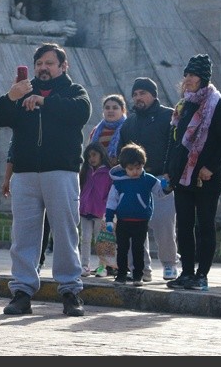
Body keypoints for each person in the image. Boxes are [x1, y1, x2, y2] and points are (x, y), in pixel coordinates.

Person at [0, 42, 91, 317]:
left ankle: (71, 291)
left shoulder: (74, 92)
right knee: (23, 235)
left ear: (63, 66)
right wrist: (11, 96)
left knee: (65, 233)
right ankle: (22, 292)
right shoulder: (23, 89)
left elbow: (81, 112)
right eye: (39, 64)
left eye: (49, 63)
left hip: (60, 172)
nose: (43, 68)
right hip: (24, 174)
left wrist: (44, 101)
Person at [165, 54, 221, 292]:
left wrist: (210, 166)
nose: (188, 79)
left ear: (203, 78)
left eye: (193, 75)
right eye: (186, 74)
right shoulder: (183, 106)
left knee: (204, 226)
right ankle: (186, 272)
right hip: (183, 177)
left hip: (205, 177)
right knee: (183, 226)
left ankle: (202, 274)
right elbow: (174, 141)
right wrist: (170, 170)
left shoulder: (219, 106)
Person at [118, 77, 180, 281]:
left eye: (142, 93)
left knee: (164, 224)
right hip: (135, 181)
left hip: (161, 178)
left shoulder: (169, 117)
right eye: (135, 94)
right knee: (135, 225)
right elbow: (123, 152)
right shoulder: (129, 123)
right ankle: (141, 268)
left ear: (153, 95)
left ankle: (170, 265)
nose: (138, 98)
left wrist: (172, 173)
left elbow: (177, 147)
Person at [105, 143, 167, 287]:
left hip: (141, 221)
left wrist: (167, 186)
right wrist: (109, 219)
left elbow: (161, 192)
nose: (135, 172)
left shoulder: (148, 179)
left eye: (138, 168)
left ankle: (138, 275)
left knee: (138, 249)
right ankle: (121, 275)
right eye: (131, 169)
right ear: (124, 167)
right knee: (122, 249)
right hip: (123, 220)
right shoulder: (118, 183)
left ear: (143, 165)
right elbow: (111, 202)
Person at [88, 94, 127, 277]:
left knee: (120, 225)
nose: (111, 110)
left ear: (122, 110)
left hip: (121, 182)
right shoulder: (96, 131)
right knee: (105, 226)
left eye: (115, 107)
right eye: (107, 107)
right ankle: (105, 264)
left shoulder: (127, 128)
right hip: (101, 184)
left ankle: (120, 264)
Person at [1, 141, 52, 273]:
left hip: (51, 176)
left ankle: (39, 261)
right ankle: (26, 267)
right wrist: (7, 179)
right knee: (25, 226)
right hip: (26, 178)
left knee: (48, 224)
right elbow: (12, 153)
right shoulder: (22, 128)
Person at [78, 142, 113, 277]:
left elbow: (111, 191)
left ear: (101, 155)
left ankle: (102, 267)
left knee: (101, 240)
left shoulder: (108, 173)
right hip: (85, 209)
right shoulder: (85, 171)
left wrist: (107, 205)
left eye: (94, 155)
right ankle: (85, 266)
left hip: (100, 211)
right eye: (89, 156)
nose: (91, 158)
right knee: (85, 238)